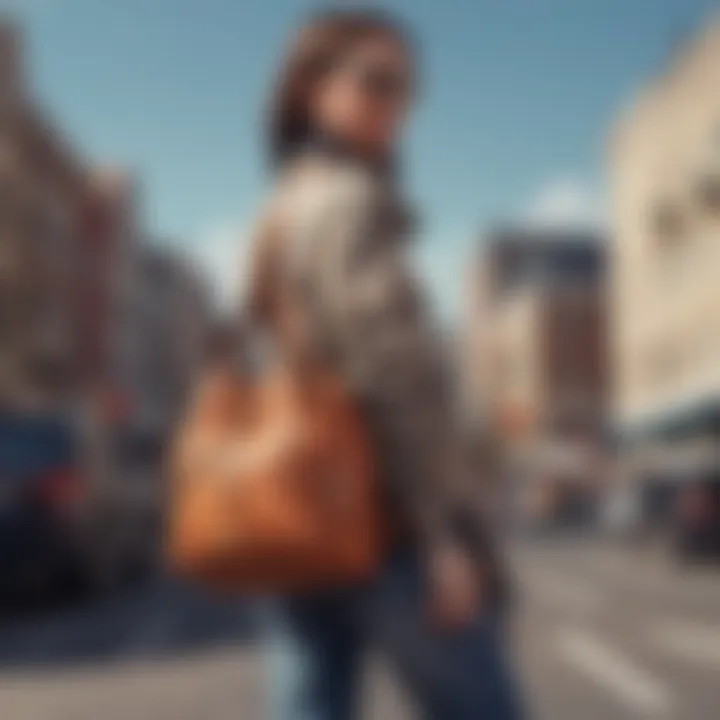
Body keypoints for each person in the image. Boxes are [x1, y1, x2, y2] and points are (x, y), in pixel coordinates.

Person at [247, 8, 523, 720]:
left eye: (406, 89)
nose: (396, 105)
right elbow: (393, 374)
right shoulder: (348, 202)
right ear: (313, 89)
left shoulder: (279, 209)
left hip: (297, 525)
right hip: (387, 525)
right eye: (376, 82)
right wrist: (442, 535)